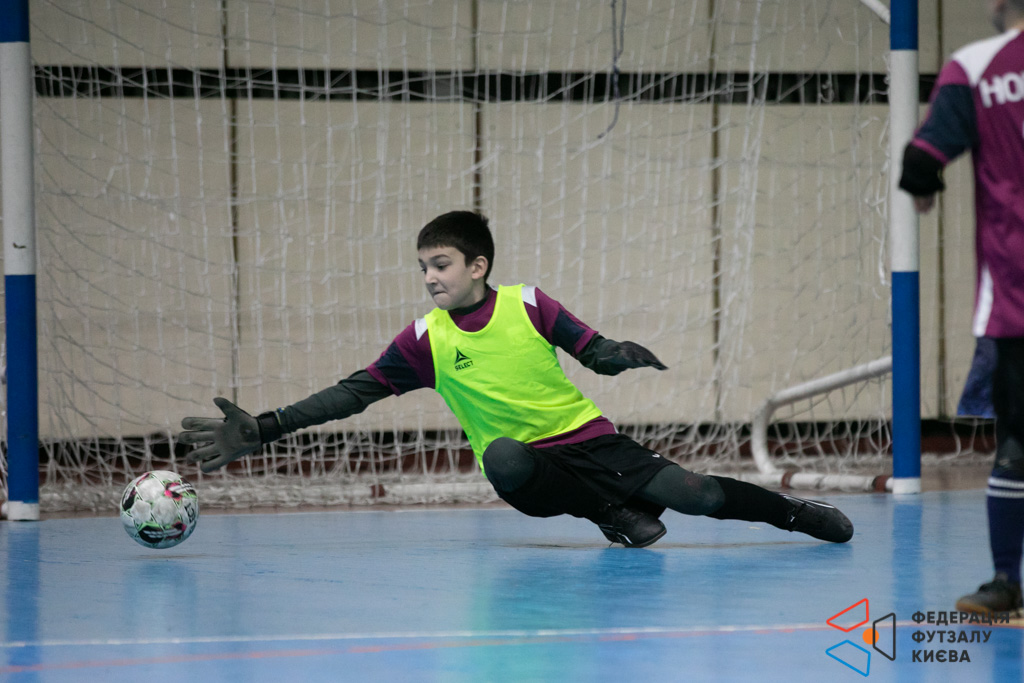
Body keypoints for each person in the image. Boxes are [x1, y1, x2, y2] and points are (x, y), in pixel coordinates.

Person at [180, 211, 853, 547]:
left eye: (440, 264)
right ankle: (607, 513)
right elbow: (351, 392)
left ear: (477, 266)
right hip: (529, 469)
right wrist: (266, 426)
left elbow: (591, 350)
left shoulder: (529, 303)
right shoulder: (425, 340)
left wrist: (617, 353)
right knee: (501, 453)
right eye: (423, 267)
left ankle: (793, 513)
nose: (429, 277)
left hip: (590, 439)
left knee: (696, 494)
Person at [899, 0, 1024, 614]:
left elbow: (921, 160)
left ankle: (1005, 582)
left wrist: (922, 193)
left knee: (1017, 441)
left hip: (1017, 292)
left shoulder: (976, 66)